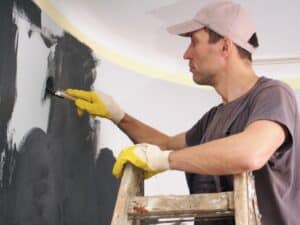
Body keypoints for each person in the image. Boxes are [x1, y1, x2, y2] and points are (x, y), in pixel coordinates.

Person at [66, 1, 300, 225]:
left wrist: (166, 161)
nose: (186, 54)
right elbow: (163, 144)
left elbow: (251, 152)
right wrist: (117, 115)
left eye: (194, 42)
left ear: (225, 47)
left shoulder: (273, 95)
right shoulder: (213, 119)